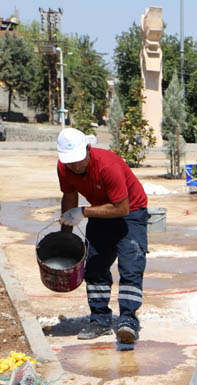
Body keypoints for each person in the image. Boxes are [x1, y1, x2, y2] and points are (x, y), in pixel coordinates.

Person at [56, 127, 149, 344]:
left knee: (130, 265)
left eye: (79, 160)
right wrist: (65, 238)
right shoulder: (64, 168)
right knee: (95, 266)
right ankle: (100, 320)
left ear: (88, 149)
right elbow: (69, 197)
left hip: (131, 212)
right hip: (100, 210)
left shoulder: (107, 166)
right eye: (70, 161)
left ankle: (128, 320)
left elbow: (122, 208)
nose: (75, 166)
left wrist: (84, 212)